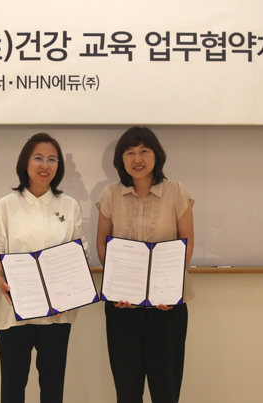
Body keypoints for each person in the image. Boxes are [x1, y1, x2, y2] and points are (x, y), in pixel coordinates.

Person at [0, 133, 87, 403]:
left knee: (53, 388)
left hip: (57, 312)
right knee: (13, 388)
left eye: (52, 159)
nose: (45, 165)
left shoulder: (69, 206)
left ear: (59, 166)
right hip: (15, 309)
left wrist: (70, 291)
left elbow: (80, 252)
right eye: (38, 158)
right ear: (25, 163)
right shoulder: (7, 205)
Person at [96, 126, 195, 403]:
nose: (137, 159)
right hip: (123, 307)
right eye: (129, 152)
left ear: (156, 155)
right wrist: (118, 287)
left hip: (168, 307)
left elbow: (186, 245)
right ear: (121, 159)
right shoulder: (110, 194)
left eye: (143, 151)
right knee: (127, 390)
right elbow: (102, 244)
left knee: (166, 389)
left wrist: (168, 290)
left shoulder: (177, 192)